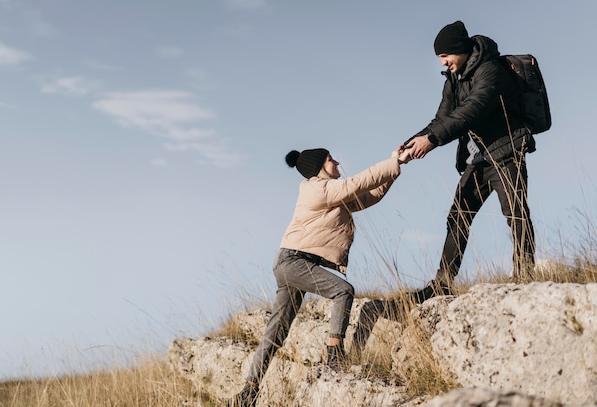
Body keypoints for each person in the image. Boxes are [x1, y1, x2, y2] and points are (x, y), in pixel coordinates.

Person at [225, 146, 410, 407]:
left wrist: (396, 169)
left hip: (293, 264)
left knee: (275, 334)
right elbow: (356, 182)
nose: (337, 162)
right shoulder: (315, 189)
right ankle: (334, 353)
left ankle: (248, 393)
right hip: (293, 261)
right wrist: (392, 161)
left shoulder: (334, 194)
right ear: (319, 168)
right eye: (330, 159)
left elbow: (369, 196)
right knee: (342, 290)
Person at [403, 20, 537, 301]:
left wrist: (433, 140)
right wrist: (411, 143)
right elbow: (441, 119)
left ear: (458, 49)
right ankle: (442, 283)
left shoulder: (491, 70)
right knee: (458, 215)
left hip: (506, 151)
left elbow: (472, 110)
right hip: (478, 159)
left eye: (444, 55)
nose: (442, 62)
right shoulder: (454, 79)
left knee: (515, 212)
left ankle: (525, 275)